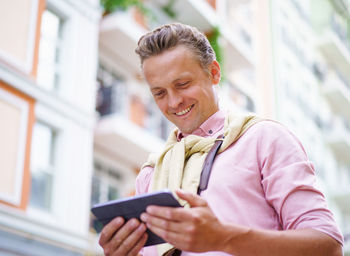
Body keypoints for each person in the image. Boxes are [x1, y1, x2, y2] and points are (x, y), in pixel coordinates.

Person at [99, 23, 344, 256]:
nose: (173, 102)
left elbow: (327, 246)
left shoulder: (264, 138)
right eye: (160, 93)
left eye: (183, 84)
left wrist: (223, 237)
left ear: (214, 73)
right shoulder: (150, 174)